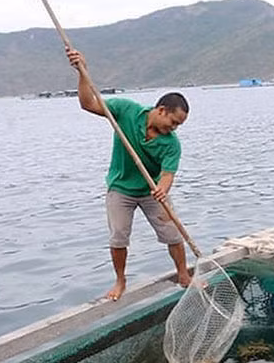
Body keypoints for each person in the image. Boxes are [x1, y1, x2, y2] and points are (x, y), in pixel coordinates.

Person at [66, 48, 192, 301]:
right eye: (174, 122)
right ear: (161, 109)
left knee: (172, 232)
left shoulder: (171, 144)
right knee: (119, 235)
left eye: (179, 125)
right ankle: (120, 280)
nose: (174, 128)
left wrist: (161, 190)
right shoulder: (126, 110)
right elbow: (87, 104)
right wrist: (83, 72)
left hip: (151, 192)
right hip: (120, 189)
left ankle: (183, 273)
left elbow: (168, 174)